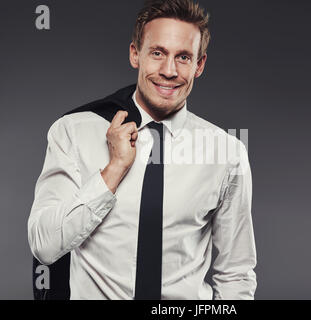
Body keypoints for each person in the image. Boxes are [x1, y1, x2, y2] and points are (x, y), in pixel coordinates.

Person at [28, 0, 257, 300]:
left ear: (199, 65)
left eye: (184, 57)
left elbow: (236, 273)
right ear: (135, 54)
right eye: (158, 53)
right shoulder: (73, 132)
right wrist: (113, 171)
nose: (169, 70)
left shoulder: (227, 153)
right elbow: (44, 245)